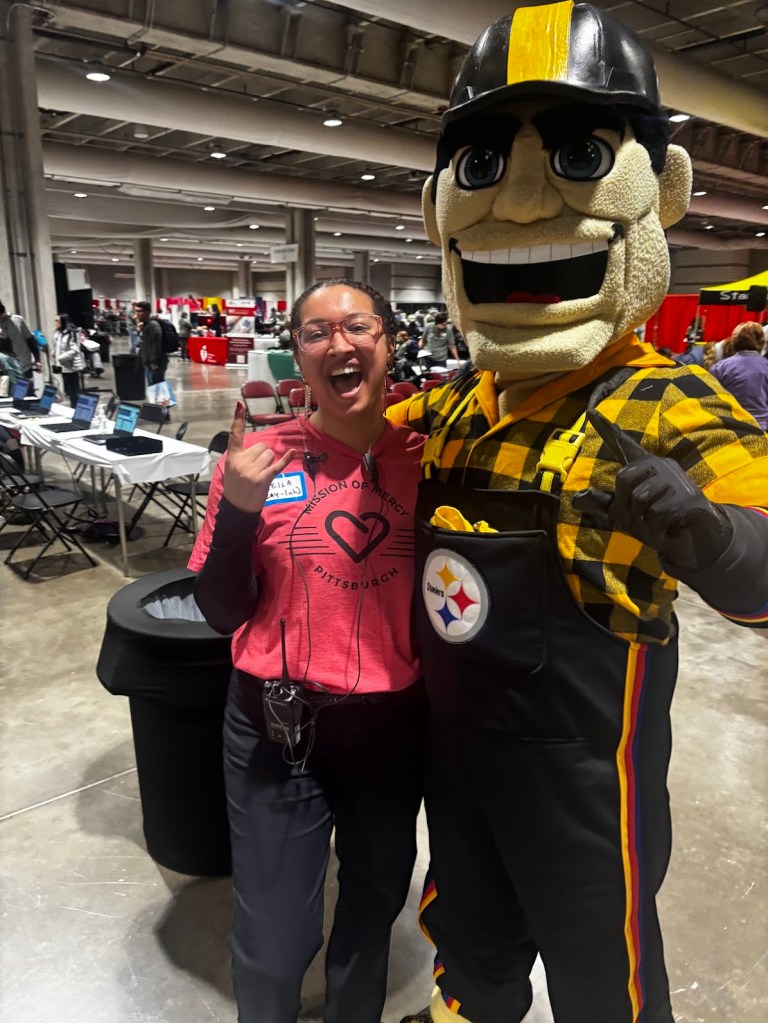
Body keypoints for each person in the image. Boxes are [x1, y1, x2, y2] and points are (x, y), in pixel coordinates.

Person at [386, 5, 768, 1023]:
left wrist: (712, 536)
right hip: (456, 744)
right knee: (466, 925)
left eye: (578, 155)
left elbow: (766, 566)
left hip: (584, 770)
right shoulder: (458, 405)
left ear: (660, 191)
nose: (518, 203)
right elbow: (359, 446)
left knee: (602, 961)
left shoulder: (667, 400)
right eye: (481, 167)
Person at [189, 278, 426, 1023]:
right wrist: (238, 513)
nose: (339, 343)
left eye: (358, 326)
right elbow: (220, 611)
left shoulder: (429, 459)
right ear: (298, 354)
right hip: (275, 725)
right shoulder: (257, 460)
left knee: (374, 904)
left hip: (391, 728)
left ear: (388, 343)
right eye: (317, 332)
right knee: (275, 935)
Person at [710, 320, 768, 429]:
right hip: (762, 428)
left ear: (734, 342)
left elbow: (712, 402)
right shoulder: (766, 366)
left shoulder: (719, 368)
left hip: (732, 427)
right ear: (761, 343)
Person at [0, 300, 41, 387]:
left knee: (24, 392)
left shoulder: (18, 321)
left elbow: (31, 340)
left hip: (23, 366)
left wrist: (37, 360)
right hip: (5, 370)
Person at [53, 313, 85, 407]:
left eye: (57, 321)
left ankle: (75, 408)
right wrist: (54, 353)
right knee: (68, 391)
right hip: (63, 366)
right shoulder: (58, 333)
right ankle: (73, 407)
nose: (55, 323)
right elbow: (58, 347)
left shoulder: (71, 333)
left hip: (71, 366)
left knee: (74, 391)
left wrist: (60, 357)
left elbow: (75, 350)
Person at [134, 300, 166, 384]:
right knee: (154, 386)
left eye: (139, 311)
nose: (137, 314)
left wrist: (153, 361)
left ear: (147, 312)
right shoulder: (146, 324)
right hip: (148, 362)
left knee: (156, 386)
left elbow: (156, 343)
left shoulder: (153, 325)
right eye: (136, 311)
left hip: (155, 363)